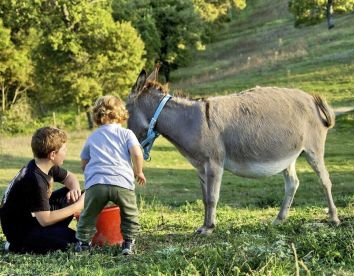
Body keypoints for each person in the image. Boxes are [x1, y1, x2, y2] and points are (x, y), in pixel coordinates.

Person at [75, 95, 146, 255]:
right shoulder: (127, 134)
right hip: (122, 183)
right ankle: (128, 243)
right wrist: (139, 171)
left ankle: (83, 244)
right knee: (129, 213)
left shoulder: (93, 136)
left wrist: (89, 175)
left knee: (88, 214)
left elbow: (84, 160)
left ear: (97, 115)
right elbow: (137, 153)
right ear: (121, 114)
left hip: (97, 184)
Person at [0, 127, 85, 254]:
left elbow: (69, 177)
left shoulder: (43, 164)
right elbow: (45, 220)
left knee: (78, 195)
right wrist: (78, 206)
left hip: (33, 218)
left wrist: (75, 189)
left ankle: (53, 233)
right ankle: (14, 246)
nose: (66, 152)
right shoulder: (34, 179)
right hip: (21, 230)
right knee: (72, 241)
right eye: (64, 149)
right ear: (52, 154)